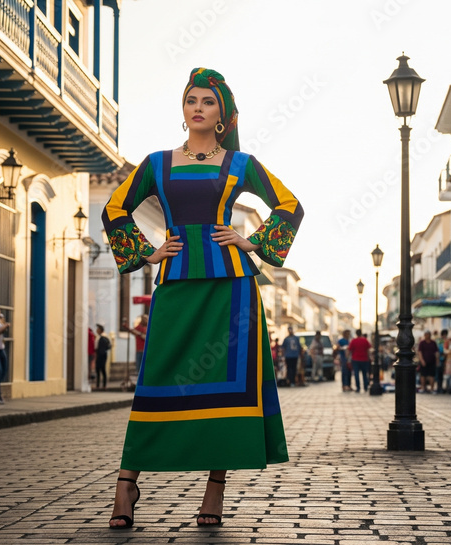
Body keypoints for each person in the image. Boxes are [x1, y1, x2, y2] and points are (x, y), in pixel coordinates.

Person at [101, 68, 303, 529]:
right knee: (156, 379)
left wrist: (252, 242)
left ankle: (215, 490)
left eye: (207, 102)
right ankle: (126, 484)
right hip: (175, 283)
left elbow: (290, 204)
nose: (197, 107)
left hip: (231, 288)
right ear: (183, 109)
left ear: (222, 115)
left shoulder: (241, 164)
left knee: (227, 385)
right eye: (191, 99)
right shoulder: (156, 164)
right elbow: (116, 208)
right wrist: (146, 254)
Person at [95, 324, 111, 390]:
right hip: (101, 354)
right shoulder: (100, 337)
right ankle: (98, 385)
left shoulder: (103, 337)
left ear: (100, 330)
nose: (96, 330)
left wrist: (100, 353)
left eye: (98, 329)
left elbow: (107, 347)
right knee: (98, 370)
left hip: (101, 355)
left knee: (102, 369)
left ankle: (103, 385)